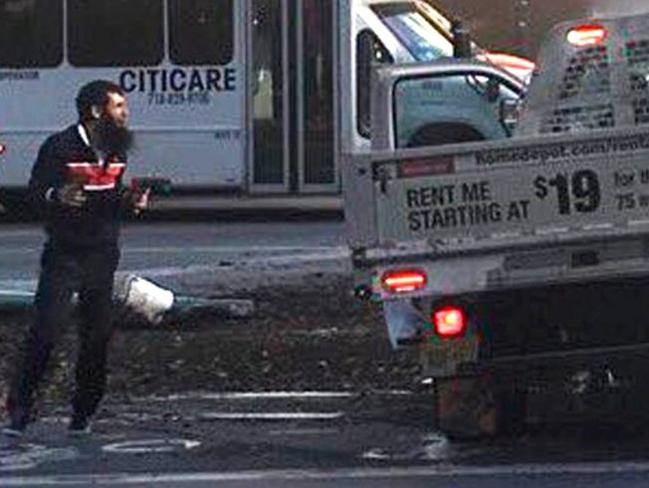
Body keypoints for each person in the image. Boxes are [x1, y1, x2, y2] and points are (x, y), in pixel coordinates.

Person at [3, 80, 149, 438]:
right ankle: (21, 404)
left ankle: (85, 410)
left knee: (97, 335)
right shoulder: (60, 147)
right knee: (47, 329)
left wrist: (131, 203)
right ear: (96, 111)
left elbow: (109, 198)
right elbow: (36, 193)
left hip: (103, 254)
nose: (125, 113)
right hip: (65, 253)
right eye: (117, 106)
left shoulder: (117, 150)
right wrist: (57, 195)